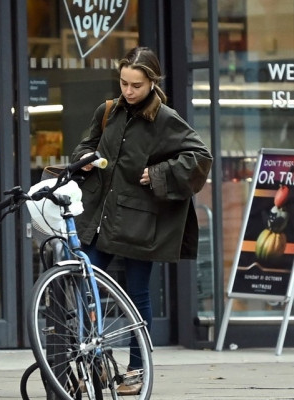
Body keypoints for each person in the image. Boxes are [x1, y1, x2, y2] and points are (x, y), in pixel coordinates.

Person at [71, 46, 212, 395]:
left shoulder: (165, 118)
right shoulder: (107, 111)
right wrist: (85, 158)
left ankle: (137, 367)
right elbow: (82, 147)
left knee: (136, 295)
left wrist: (159, 173)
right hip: (100, 215)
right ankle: (97, 360)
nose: (128, 91)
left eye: (136, 84)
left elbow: (200, 157)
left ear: (152, 82)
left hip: (139, 220)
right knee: (83, 284)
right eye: (123, 83)